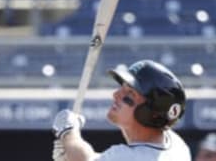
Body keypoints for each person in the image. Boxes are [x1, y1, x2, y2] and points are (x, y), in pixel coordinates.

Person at [51, 59, 191, 161]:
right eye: (122, 88)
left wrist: (68, 133)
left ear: (151, 112)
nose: (116, 94)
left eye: (130, 94)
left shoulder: (129, 155)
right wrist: (71, 152)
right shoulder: (176, 146)